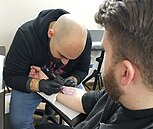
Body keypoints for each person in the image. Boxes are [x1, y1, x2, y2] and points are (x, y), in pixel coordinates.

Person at [34, 0, 153, 129]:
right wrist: (50, 83)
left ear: (125, 73)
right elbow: (85, 100)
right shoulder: (121, 95)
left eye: (106, 51)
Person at [3, 9, 92, 129]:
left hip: (64, 84)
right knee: (19, 123)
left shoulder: (84, 39)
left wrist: (74, 79)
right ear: (51, 34)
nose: (65, 63)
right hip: (30, 82)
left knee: (87, 119)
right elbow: (11, 77)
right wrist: (39, 85)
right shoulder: (26, 36)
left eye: (72, 59)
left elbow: (82, 69)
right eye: (62, 55)